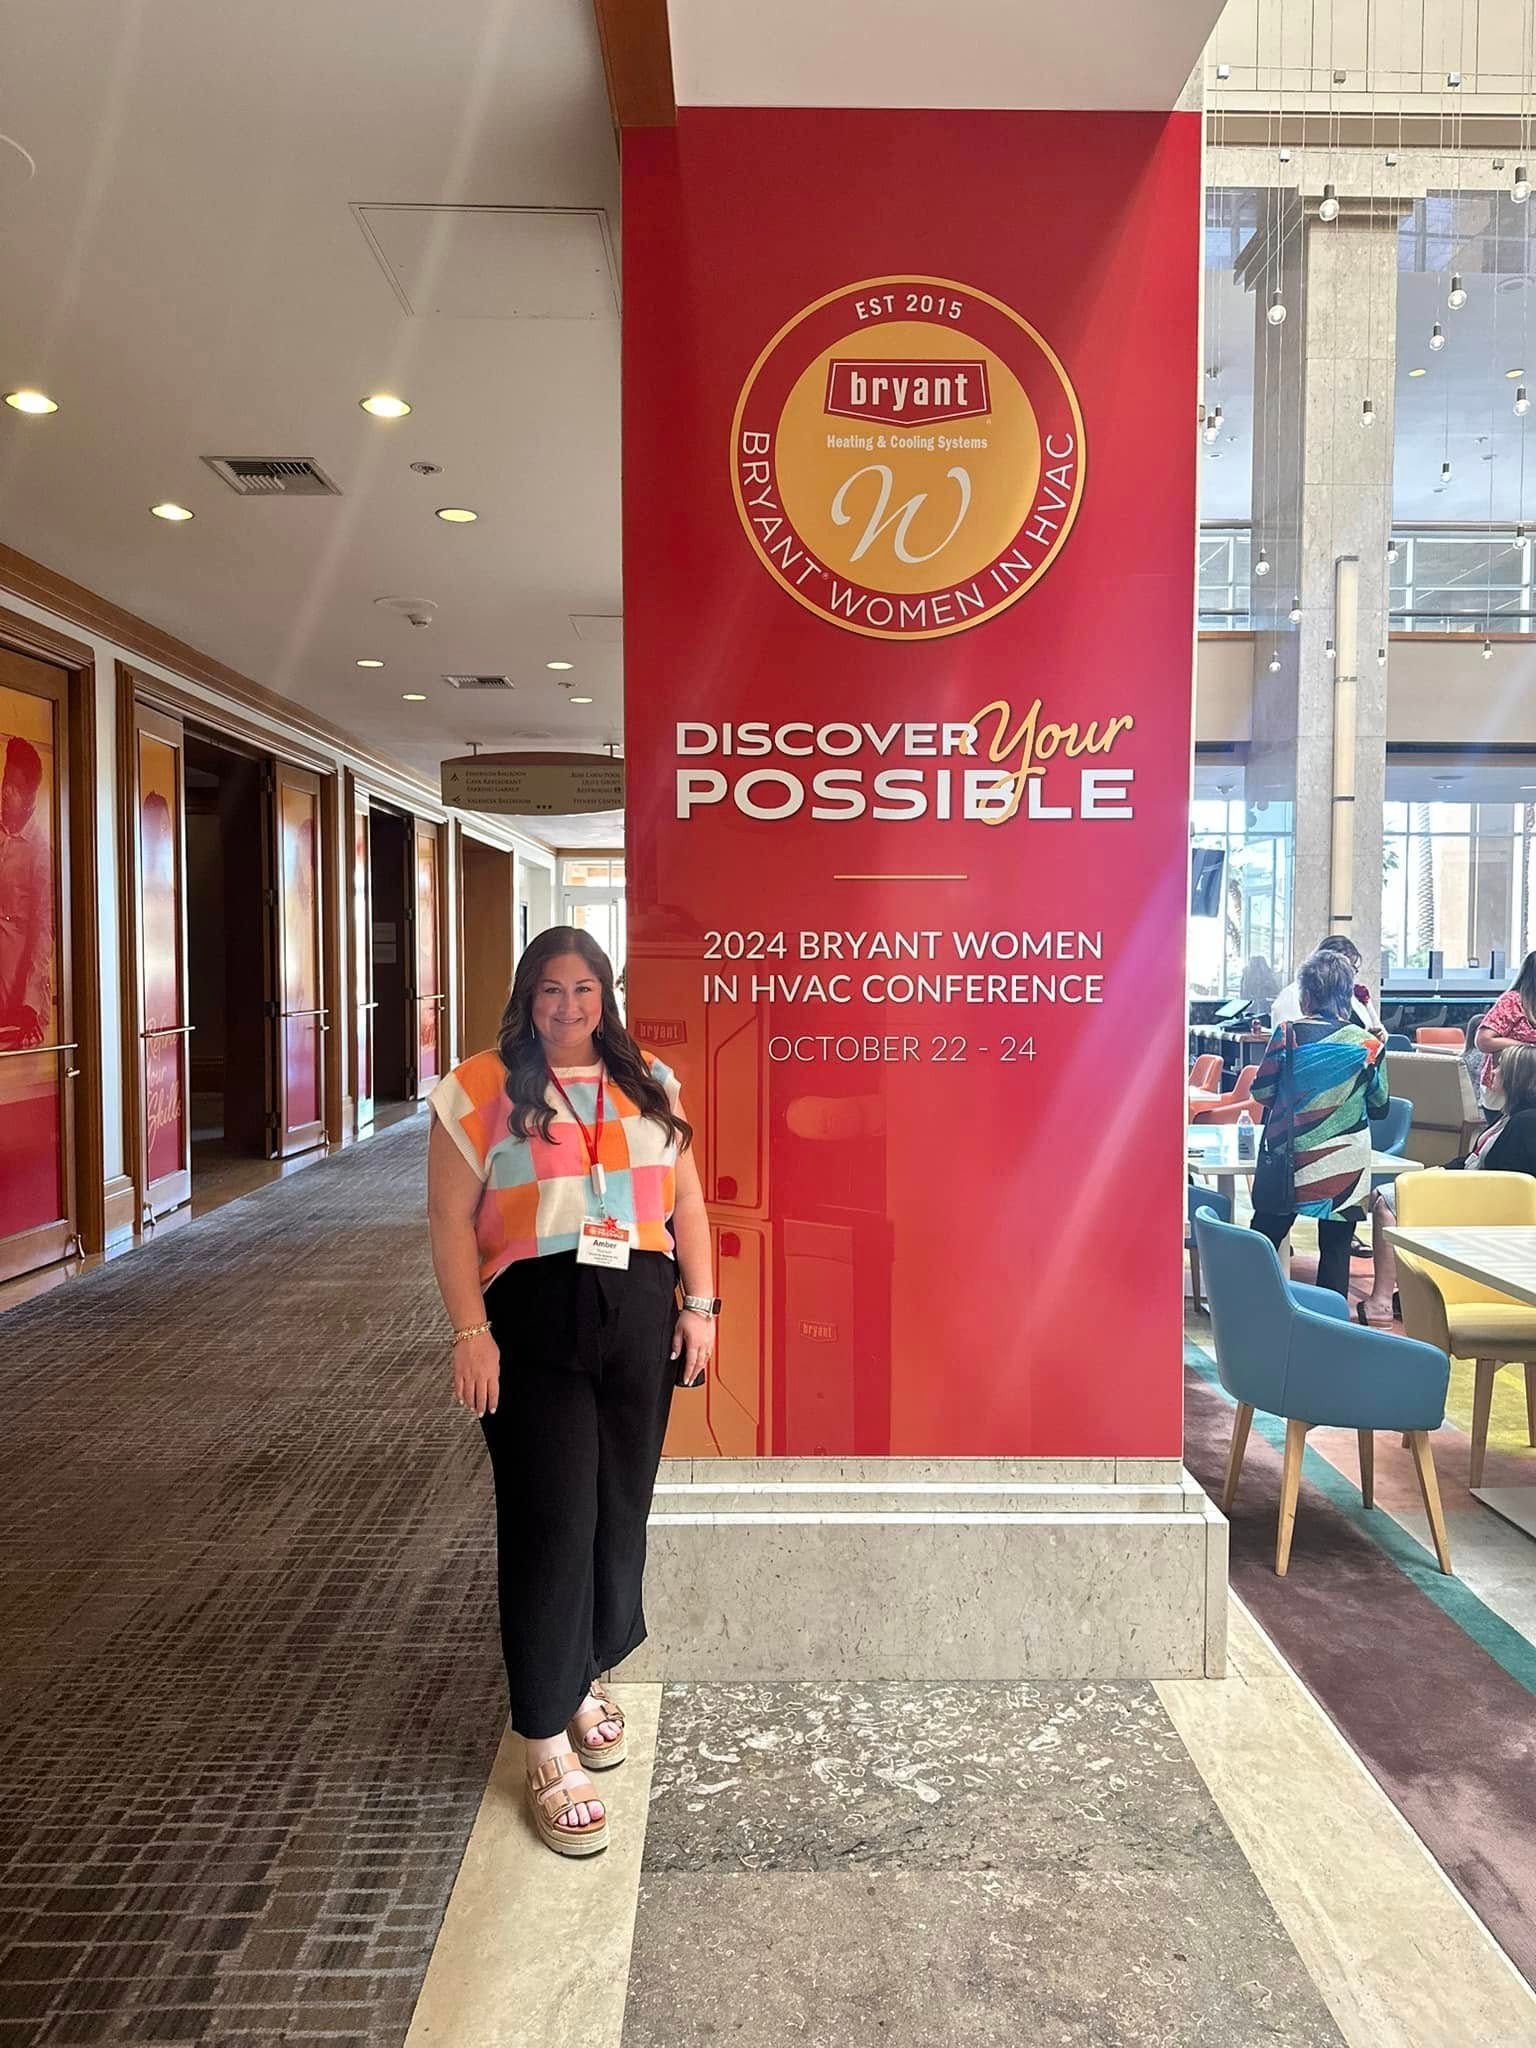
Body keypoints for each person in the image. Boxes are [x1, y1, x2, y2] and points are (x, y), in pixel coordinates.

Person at [426, 927, 719, 1859]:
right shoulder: (478, 1088)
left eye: (585, 988)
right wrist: (471, 1333)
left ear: (607, 995)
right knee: (551, 1515)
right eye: (551, 989)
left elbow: (688, 1202)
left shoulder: (649, 1081)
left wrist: (700, 1306)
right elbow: (445, 1219)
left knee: (616, 1506)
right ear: (527, 994)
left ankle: (586, 1670)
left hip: (637, 1304)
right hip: (533, 1314)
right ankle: (544, 1741)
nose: (568, 1006)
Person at [1357, 1042, 1536, 1323]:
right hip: (1468, 1189)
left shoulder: (1526, 1122)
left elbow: (1504, 1181)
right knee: (1389, 1193)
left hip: (1480, 1204)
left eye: (1501, 1067)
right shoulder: (1510, 1116)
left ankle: (1382, 1301)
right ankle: (1405, 1295)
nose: (1495, 1071)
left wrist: (1442, 1182)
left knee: (1386, 1203)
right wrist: (1437, 1172)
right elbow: (1474, 1158)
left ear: (1519, 1077)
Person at [1250, 948, 1390, 1297]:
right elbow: (1380, 1104)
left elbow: (1262, 1092)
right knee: (1337, 1251)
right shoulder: (1369, 1044)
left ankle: (1255, 1307)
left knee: (1263, 1238)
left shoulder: (1288, 1034)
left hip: (1291, 1162)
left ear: (1306, 993)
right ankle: (1332, 1327)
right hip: (1345, 1165)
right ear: (1346, 994)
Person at [0, 736, 51, 1048]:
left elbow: (43, 930)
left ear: (31, 796)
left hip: (16, 971)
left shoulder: (40, 849)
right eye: (5, 780)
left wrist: (30, 1001)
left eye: (15, 787)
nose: (6, 791)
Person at [1270, 934, 1382, 1035]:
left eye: (1354, 970)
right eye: (1347, 967)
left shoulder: (1346, 993)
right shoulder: (1292, 995)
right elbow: (1288, 1039)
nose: (1350, 975)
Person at [1474, 954, 1536, 1113]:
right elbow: (1483, 1041)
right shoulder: (1513, 1001)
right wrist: (1527, 1046)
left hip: (1531, 1086)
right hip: (1505, 1087)